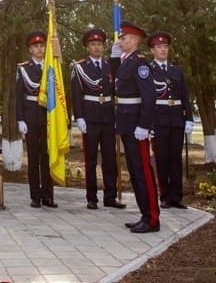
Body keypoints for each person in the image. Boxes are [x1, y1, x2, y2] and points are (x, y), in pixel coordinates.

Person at [71, 28, 125, 210]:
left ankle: (110, 197)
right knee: (91, 160)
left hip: (108, 117)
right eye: (93, 44)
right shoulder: (80, 67)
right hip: (90, 118)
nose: (97, 47)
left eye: (100, 44)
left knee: (110, 159)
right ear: (87, 47)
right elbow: (76, 94)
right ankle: (92, 198)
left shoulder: (110, 67)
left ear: (103, 47)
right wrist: (79, 117)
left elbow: (117, 90)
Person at [114, 20, 160, 233]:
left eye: (123, 38)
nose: (120, 41)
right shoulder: (127, 62)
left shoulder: (140, 64)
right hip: (127, 124)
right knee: (134, 171)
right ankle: (144, 214)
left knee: (143, 172)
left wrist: (144, 125)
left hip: (136, 127)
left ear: (133, 40)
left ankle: (152, 219)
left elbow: (149, 97)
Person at [147, 30, 194, 210]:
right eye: (159, 47)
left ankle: (177, 196)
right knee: (162, 159)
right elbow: (148, 100)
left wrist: (189, 118)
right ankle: (165, 196)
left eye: (165, 46)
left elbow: (185, 96)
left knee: (176, 159)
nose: (163, 50)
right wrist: (149, 123)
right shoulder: (149, 71)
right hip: (159, 120)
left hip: (176, 119)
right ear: (152, 50)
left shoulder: (177, 71)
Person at [16, 30, 56, 208]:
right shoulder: (24, 69)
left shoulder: (51, 67)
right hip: (31, 116)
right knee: (33, 157)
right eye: (36, 46)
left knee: (47, 156)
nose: (39, 49)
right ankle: (35, 196)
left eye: (42, 46)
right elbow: (18, 97)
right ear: (30, 49)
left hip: (49, 116)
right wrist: (20, 119)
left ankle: (48, 195)